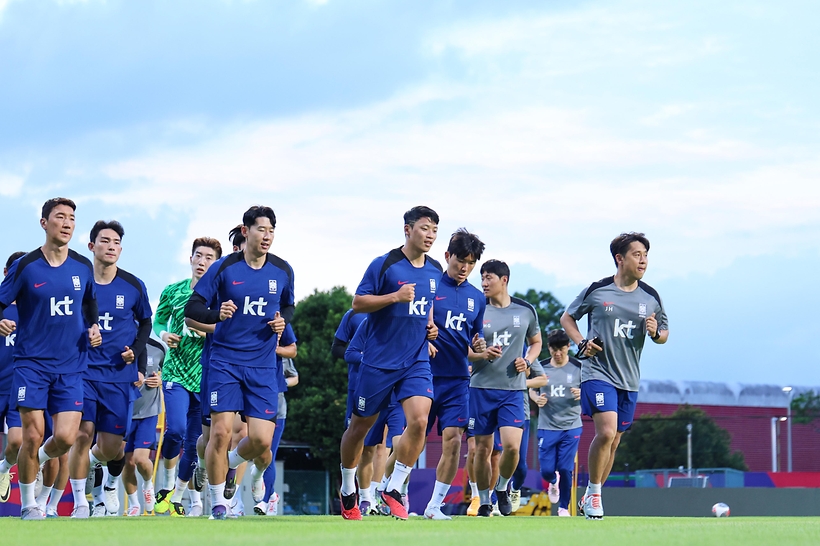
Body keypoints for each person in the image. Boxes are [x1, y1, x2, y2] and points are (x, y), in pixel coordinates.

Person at [185, 205, 295, 520]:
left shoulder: (283, 270)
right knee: (218, 432)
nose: (267, 236)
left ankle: (230, 462)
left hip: (262, 367)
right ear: (246, 231)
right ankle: (218, 502)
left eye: (272, 231)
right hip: (224, 362)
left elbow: (288, 307)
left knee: (261, 440)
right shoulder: (223, 268)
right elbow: (193, 310)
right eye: (261, 229)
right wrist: (216, 315)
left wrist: (281, 323)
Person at [0, 197, 101, 520]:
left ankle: (38, 458)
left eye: (72, 218)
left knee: (66, 438)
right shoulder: (26, 266)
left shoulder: (83, 266)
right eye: (60, 217)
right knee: (30, 435)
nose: (68, 223)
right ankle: (30, 505)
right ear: (44, 223)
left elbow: (89, 305)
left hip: (72, 366)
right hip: (32, 364)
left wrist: (94, 327)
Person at [338, 205, 442, 521]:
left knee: (421, 421)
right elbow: (358, 303)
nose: (431, 235)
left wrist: (432, 328)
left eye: (435, 230)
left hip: (415, 360)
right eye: (425, 228)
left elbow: (426, 309)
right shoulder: (384, 265)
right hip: (379, 362)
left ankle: (393, 487)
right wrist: (393, 298)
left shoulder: (436, 270)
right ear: (408, 230)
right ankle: (346, 489)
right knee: (359, 429)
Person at [560, 232, 668, 520]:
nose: (643, 260)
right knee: (606, 431)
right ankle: (595, 494)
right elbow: (567, 317)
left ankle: (590, 495)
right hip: (597, 372)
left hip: (629, 380)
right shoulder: (598, 290)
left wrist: (656, 331)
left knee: (615, 441)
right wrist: (581, 342)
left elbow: (664, 334)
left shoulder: (651, 297)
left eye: (645, 254)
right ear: (620, 259)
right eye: (637, 254)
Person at [67, 220, 153, 518]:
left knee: (110, 448)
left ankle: (107, 481)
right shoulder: (76, 282)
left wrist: (136, 353)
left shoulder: (133, 285)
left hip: (119, 377)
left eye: (116, 242)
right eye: (105, 241)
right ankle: (80, 502)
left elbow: (145, 323)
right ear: (91, 246)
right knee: (82, 433)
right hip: (82, 371)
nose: (111, 246)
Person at [153, 237, 222, 516]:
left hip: (205, 376)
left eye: (209, 258)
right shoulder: (173, 291)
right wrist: (164, 335)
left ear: (216, 263)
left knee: (196, 443)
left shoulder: (219, 296)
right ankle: (166, 485)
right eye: (198, 256)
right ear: (190, 259)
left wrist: (207, 331)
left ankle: (189, 500)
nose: (202, 262)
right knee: (176, 430)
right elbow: (158, 320)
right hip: (175, 372)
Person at [423, 229, 487, 520]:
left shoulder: (477, 297)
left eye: (471, 263)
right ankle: (387, 490)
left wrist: (479, 343)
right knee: (409, 439)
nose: (464, 267)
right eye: (460, 260)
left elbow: (476, 336)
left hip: (458, 379)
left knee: (453, 440)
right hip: (422, 374)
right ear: (447, 256)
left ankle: (434, 506)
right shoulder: (429, 284)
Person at [470, 259, 542, 517]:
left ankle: (502, 487)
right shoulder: (476, 308)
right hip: (480, 389)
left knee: (512, 447)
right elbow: (465, 350)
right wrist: (479, 353)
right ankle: (484, 499)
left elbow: (536, 342)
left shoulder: (525, 310)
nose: (484, 283)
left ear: (504, 280)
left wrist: (528, 361)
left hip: (513, 390)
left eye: (489, 277)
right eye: (482, 278)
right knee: (482, 449)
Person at [530, 329, 582, 517]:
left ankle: (563, 507)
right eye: (554, 349)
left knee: (566, 468)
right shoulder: (541, 367)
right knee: (546, 471)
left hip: (571, 425)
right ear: (549, 348)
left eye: (562, 349)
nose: (558, 354)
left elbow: (591, 389)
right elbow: (530, 388)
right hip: (547, 425)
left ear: (569, 347)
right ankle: (553, 481)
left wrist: (582, 393)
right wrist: (536, 398)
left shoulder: (579, 367)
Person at [254, 334, 298, 517]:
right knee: (257, 455)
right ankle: (271, 494)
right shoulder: (251, 350)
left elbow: (295, 377)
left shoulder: (282, 354)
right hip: (253, 409)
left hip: (278, 411)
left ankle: (265, 501)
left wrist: (279, 384)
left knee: (269, 454)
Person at [123, 337, 165, 516]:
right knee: (128, 462)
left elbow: (166, 372)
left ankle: (148, 484)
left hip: (149, 411)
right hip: (124, 411)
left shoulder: (159, 348)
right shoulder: (120, 344)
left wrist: (160, 380)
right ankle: (133, 504)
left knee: (141, 459)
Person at [0, 251, 25, 505]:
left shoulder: (36, 308)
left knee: (17, 441)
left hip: (21, 387)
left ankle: (4, 468)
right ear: (6, 274)